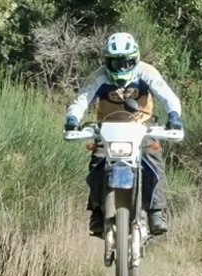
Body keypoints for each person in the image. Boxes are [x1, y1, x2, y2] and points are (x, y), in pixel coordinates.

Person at [64, 31, 184, 236]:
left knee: (153, 158)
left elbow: (167, 95)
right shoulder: (99, 76)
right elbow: (82, 99)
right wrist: (73, 119)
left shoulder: (147, 72)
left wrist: (174, 116)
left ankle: (156, 211)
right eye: (115, 63)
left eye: (126, 63)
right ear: (107, 61)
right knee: (97, 161)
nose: (121, 68)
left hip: (142, 127)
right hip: (107, 130)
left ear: (135, 59)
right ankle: (97, 212)